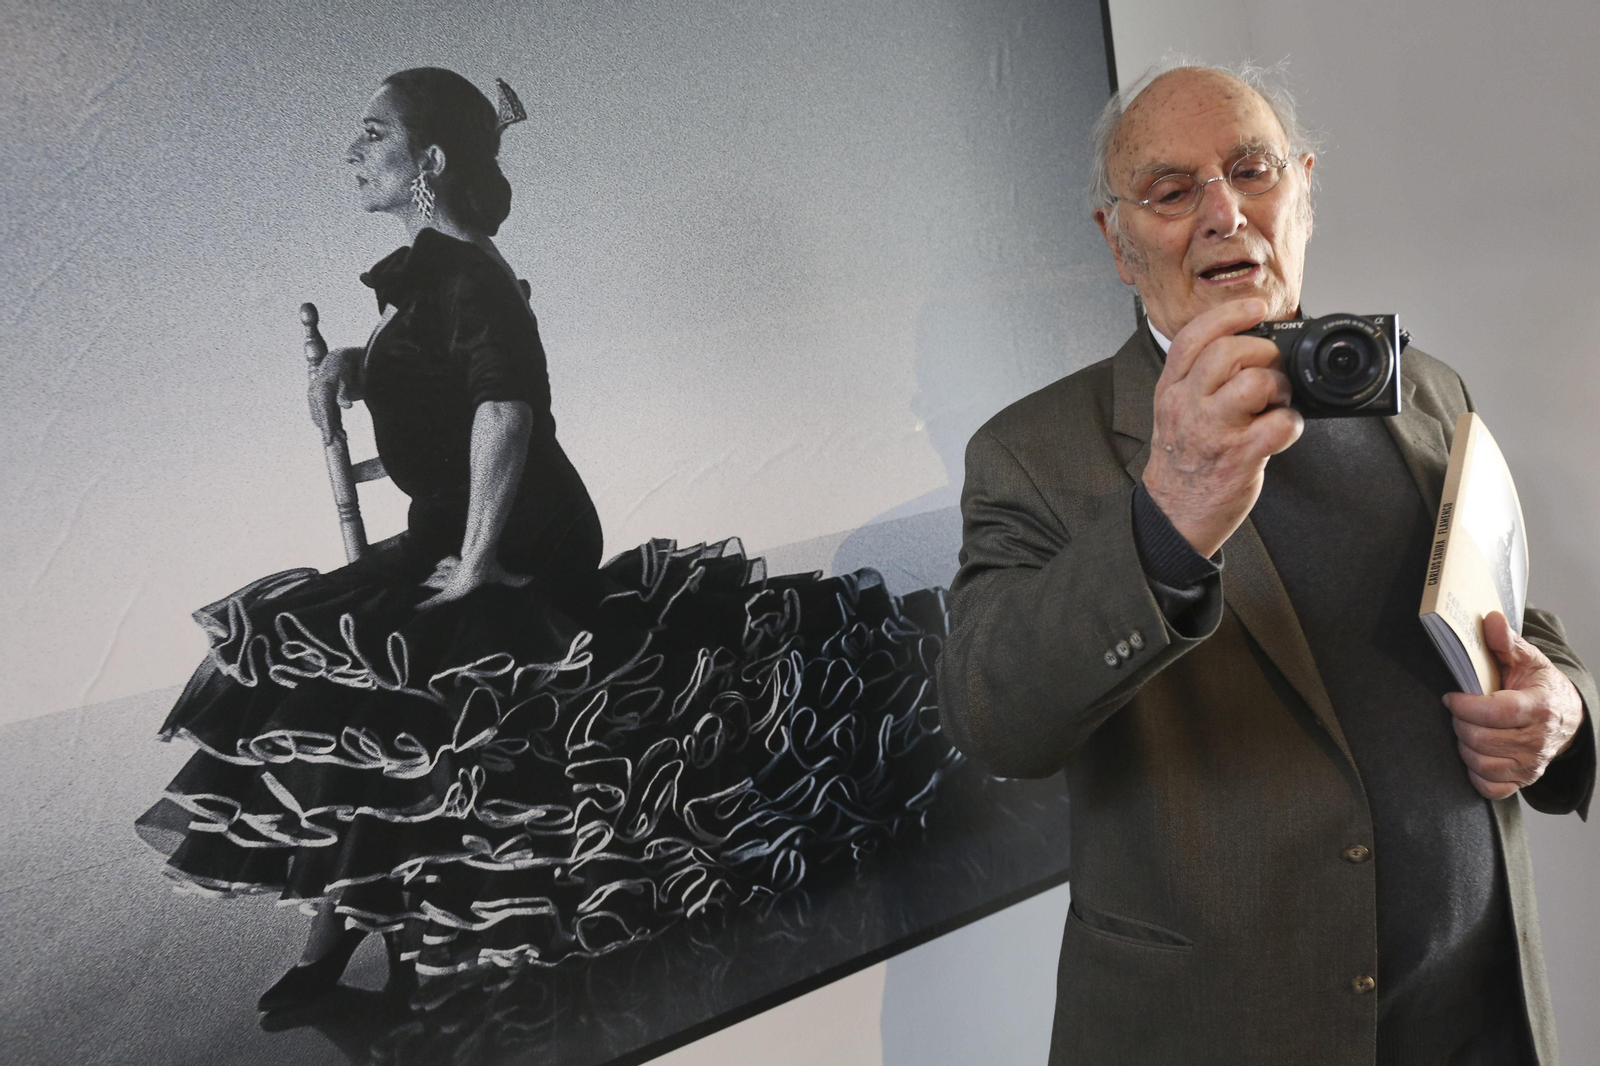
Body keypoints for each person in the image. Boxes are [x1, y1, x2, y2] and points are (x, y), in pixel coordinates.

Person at [137, 67, 955, 1013]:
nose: (352, 152)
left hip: (521, 530)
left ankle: (351, 943)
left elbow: (505, 414)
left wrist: (480, 564)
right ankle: (347, 934)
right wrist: (355, 366)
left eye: (372, 134)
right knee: (331, 685)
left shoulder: (468, 271)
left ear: (429, 161)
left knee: (386, 680)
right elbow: (436, 378)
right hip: (452, 523)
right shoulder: (431, 272)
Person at [936, 62, 1597, 1066]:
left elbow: (1515, 621)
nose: (1223, 211)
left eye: (1252, 169)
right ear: (1116, 240)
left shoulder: (1421, 387)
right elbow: (996, 717)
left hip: (1476, 1020)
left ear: (1303, 191)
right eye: (1170, 190)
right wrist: (1169, 514)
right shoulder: (1033, 452)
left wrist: (1565, 709)